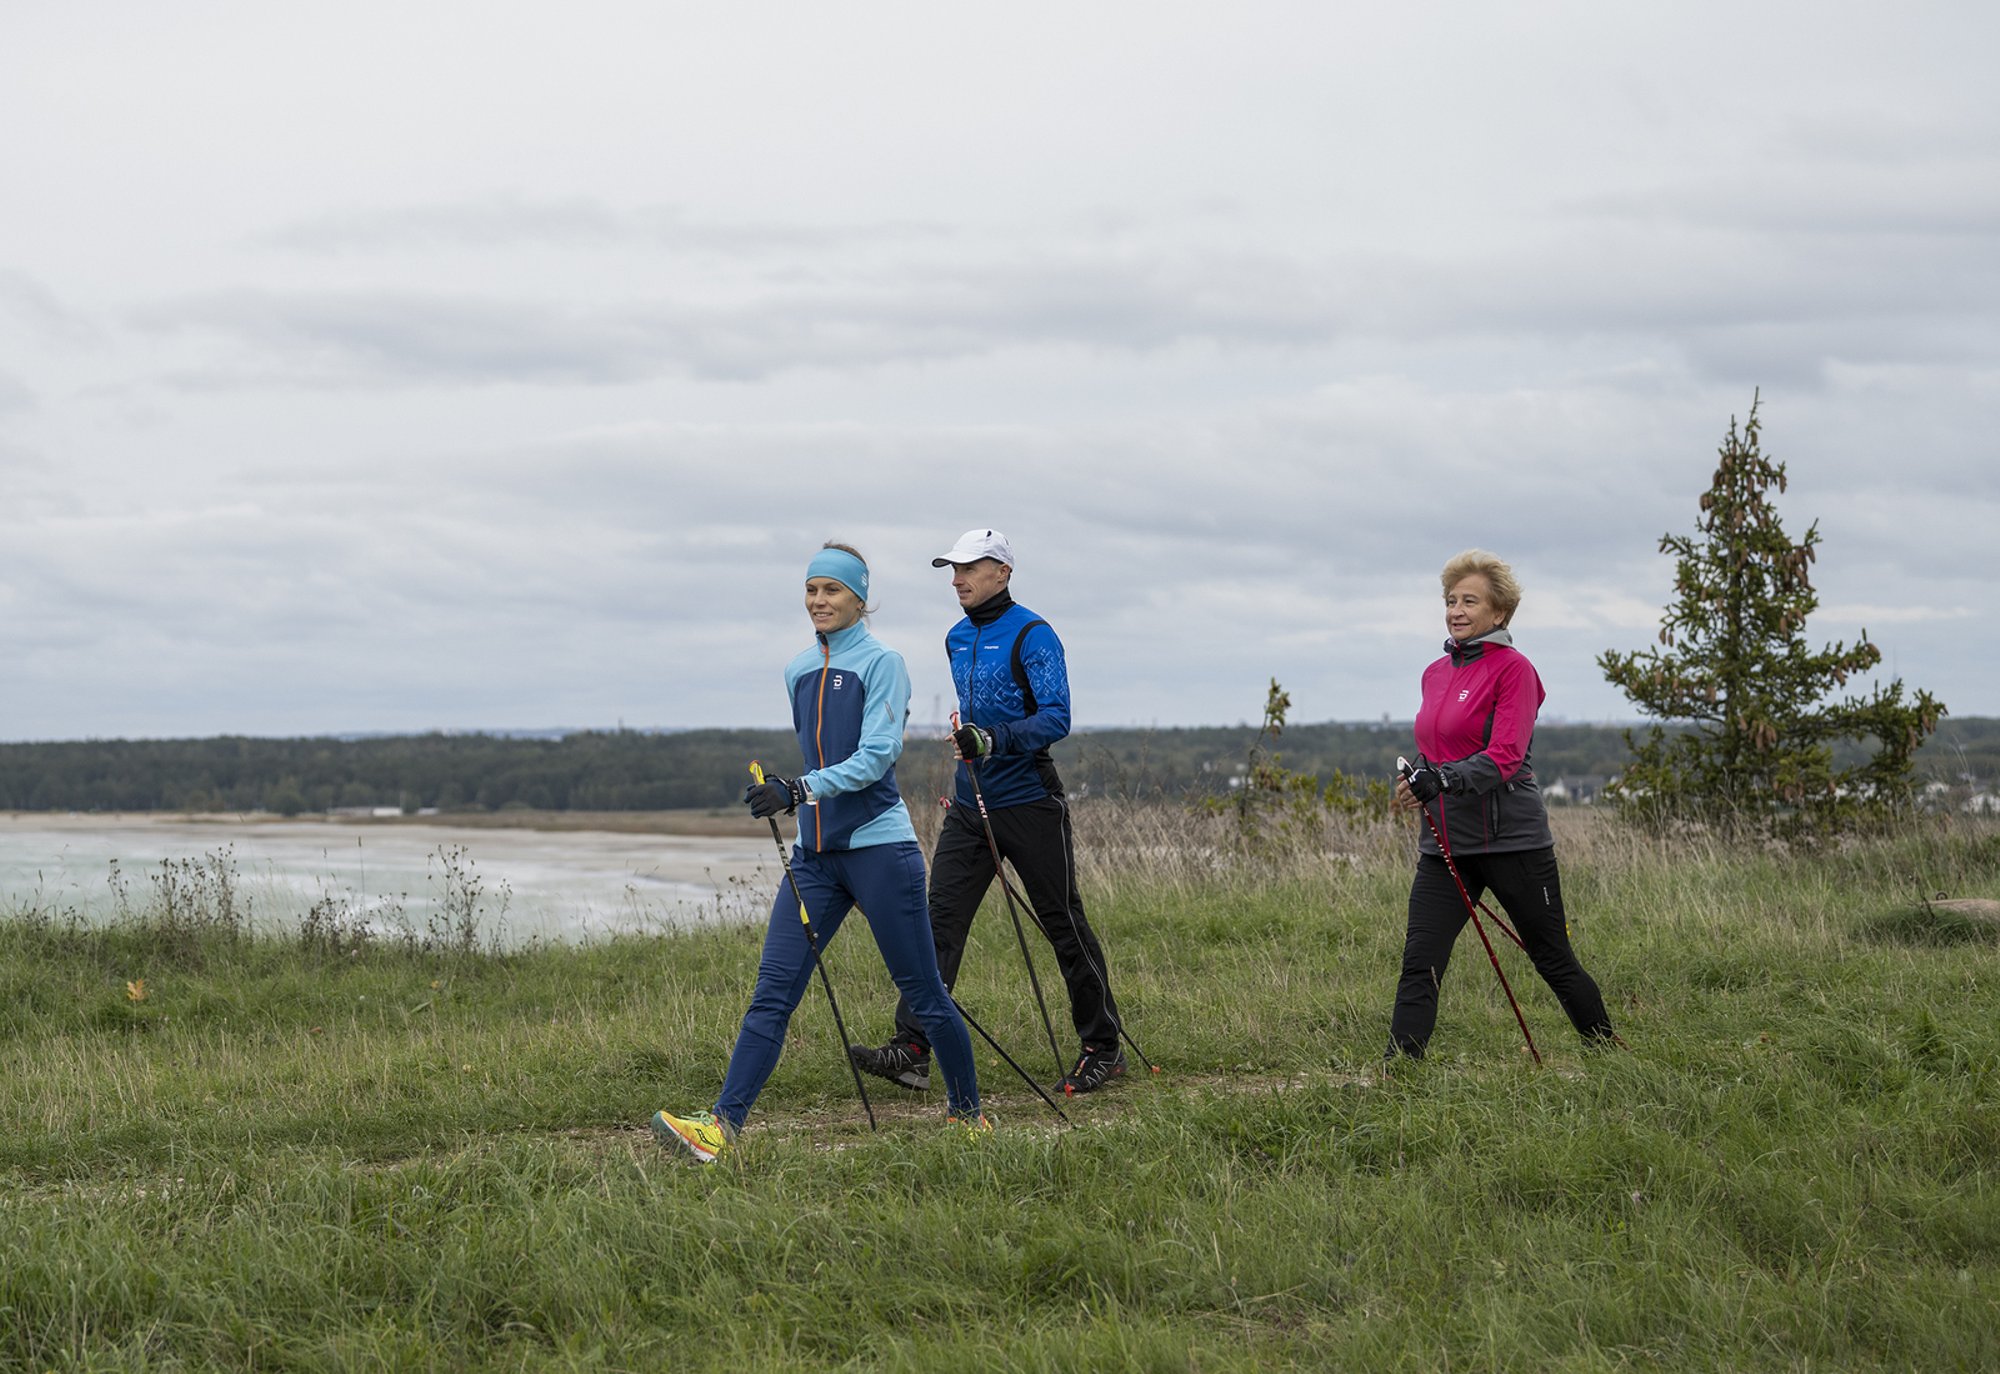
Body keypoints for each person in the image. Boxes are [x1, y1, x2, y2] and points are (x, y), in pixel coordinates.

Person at [650, 542, 984, 1162]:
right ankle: (721, 1127)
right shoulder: (797, 668)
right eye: (811, 590)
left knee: (926, 994)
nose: (819, 601)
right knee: (772, 993)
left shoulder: (884, 663)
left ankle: (968, 1116)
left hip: (880, 851)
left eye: (832, 590)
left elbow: (876, 757)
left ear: (860, 598)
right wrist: (786, 789)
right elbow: (822, 758)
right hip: (814, 858)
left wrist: (798, 788)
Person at [849, 528, 1128, 1096]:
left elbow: (1056, 717)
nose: (958, 580)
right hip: (971, 804)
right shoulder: (955, 638)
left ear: (1002, 572)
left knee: (1063, 923)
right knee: (937, 922)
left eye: (970, 568)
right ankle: (913, 1047)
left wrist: (993, 739)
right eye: (952, 570)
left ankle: (1103, 1048)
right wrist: (970, 747)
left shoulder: (1034, 633)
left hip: (1030, 801)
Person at [1387, 548, 1619, 1060]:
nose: (1456, 610)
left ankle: (1610, 1058)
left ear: (1499, 613)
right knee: (1419, 961)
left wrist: (1442, 779)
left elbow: (1506, 757)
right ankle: (1398, 1076)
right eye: (1451, 600)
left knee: (1552, 958)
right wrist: (1417, 781)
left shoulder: (1515, 670)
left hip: (1513, 842)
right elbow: (1435, 748)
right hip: (1445, 845)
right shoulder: (1435, 673)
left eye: (1470, 601)